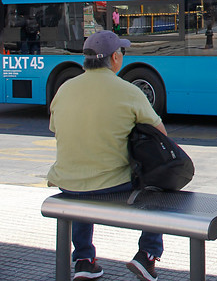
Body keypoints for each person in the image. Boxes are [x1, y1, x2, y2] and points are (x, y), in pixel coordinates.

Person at [47, 30, 165, 281]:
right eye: (122, 51)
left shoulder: (64, 89)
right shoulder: (128, 91)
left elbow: (55, 128)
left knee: (83, 186)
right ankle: (148, 254)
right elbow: (161, 135)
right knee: (159, 185)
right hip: (111, 186)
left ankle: (84, 259)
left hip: (67, 182)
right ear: (114, 58)